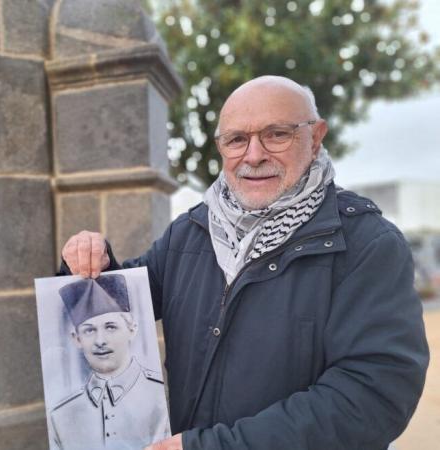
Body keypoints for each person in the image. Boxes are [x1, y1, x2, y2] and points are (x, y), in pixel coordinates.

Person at [60, 76, 429, 450]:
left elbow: (372, 397)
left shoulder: (368, 245)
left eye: (276, 134)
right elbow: (115, 306)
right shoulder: (189, 233)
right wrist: (89, 262)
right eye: (237, 140)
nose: (254, 156)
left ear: (315, 138)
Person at [49, 274, 171, 450]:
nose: (100, 341)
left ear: (132, 329)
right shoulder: (60, 416)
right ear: (76, 339)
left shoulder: (165, 397)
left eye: (110, 327)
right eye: (89, 330)